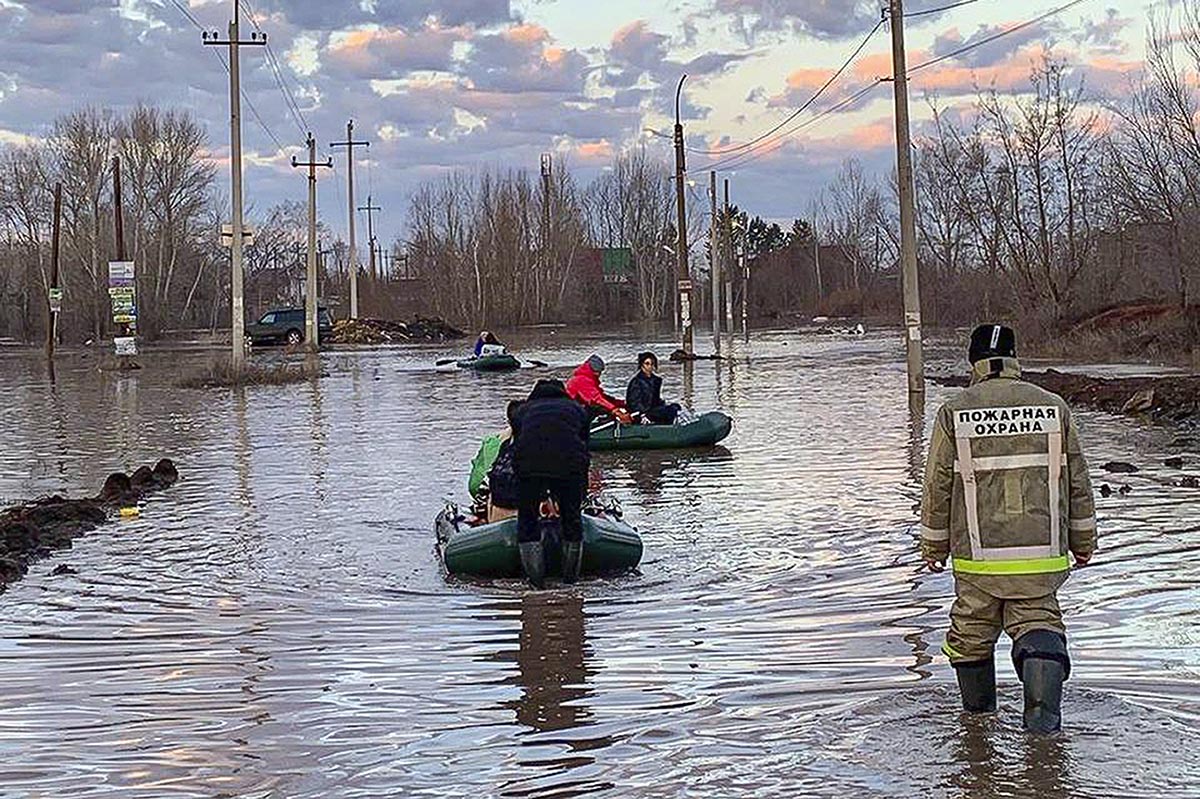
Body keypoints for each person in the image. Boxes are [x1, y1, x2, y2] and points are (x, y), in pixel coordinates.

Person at [920, 324, 1097, 734]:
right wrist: (1083, 542)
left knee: (970, 638)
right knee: (1041, 627)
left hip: (978, 561)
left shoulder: (955, 411)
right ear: (1016, 359)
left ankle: (978, 730)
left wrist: (933, 546)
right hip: (1040, 557)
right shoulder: (1053, 408)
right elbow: (1078, 483)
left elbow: (937, 485)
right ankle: (1043, 733)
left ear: (973, 362)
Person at [512, 379, 591, 587]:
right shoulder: (577, 410)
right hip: (569, 465)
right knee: (572, 519)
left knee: (527, 520)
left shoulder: (522, 411)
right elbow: (584, 445)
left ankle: (536, 583)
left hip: (530, 467)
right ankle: (570, 581)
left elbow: (518, 442)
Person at [468, 400, 522, 522]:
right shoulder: (541, 450)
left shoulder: (500, 447)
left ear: (509, 422)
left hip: (497, 518)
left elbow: (478, 487)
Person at [565, 355, 633, 424]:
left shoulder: (589, 379)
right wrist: (615, 410)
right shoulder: (581, 380)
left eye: (599, 372)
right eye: (596, 371)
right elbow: (596, 399)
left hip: (580, 409)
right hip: (574, 412)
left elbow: (601, 396)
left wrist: (619, 403)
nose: (598, 374)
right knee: (602, 409)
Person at [625, 351, 682, 425]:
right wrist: (643, 413)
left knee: (675, 406)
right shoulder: (636, 382)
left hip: (654, 409)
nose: (650, 366)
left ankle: (671, 424)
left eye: (652, 364)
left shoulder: (656, 380)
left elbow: (656, 399)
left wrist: (663, 404)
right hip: (644, 412)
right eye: (647, 364)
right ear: (642, 365)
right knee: (670, 410)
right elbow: (633, 402)